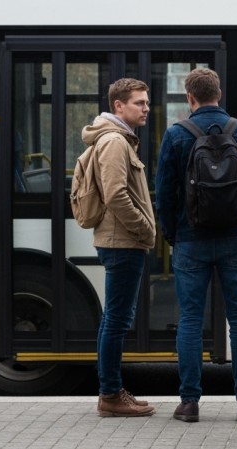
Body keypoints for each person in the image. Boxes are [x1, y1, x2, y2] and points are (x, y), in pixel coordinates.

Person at [155, 67, 237, 423]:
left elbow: (163, 194)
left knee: (190, 319)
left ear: (190, 97)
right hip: (236, 239)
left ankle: (189, 403)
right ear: (218, 94)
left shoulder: (177, 134)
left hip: (191, 240)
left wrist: (174, 235)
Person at [87, 78, 157, 418]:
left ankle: (111, 391)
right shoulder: (115, 141)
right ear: (119, 106)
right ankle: (111, 395)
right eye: (139, 103)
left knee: (113, 319)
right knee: (116, 320)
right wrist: (144, 228)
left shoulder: (117, 138)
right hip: (123, 241)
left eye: (146, 102)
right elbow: (116, 194)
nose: (146, 108)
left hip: (120, 241)